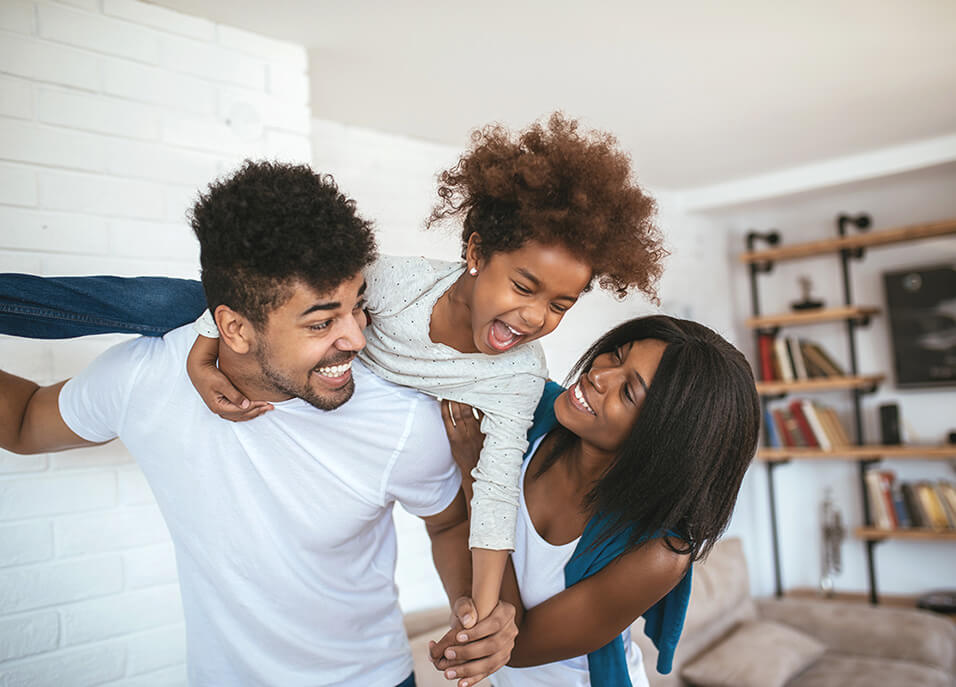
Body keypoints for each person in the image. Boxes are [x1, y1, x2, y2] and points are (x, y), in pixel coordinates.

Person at [0, 113, 666, 627]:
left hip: (357, 404)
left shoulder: (507, 379)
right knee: (164, 299)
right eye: (524, 286)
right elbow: (291, 298)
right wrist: (203, 348)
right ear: (475, 252)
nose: (534, 316)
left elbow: (482, 505)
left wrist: (482, 610)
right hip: (245, 335)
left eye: (559, 305)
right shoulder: (393, 284)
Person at [0, 161, 518, 687]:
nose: (358, 339)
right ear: (234, 329)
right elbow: (22, 421)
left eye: (357, 307)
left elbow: (447, 522)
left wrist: (471, 609)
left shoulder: (401, 416)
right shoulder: (146, 375)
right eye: (321, 322)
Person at [432, 315, 761, 686]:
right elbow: (449, 527)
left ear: (664, 443)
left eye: (627, 392)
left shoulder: (657, 552)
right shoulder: (526, 410)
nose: (599, 375)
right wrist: (466, 605)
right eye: (617, 355)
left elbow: (518, 649)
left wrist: (481, 473)